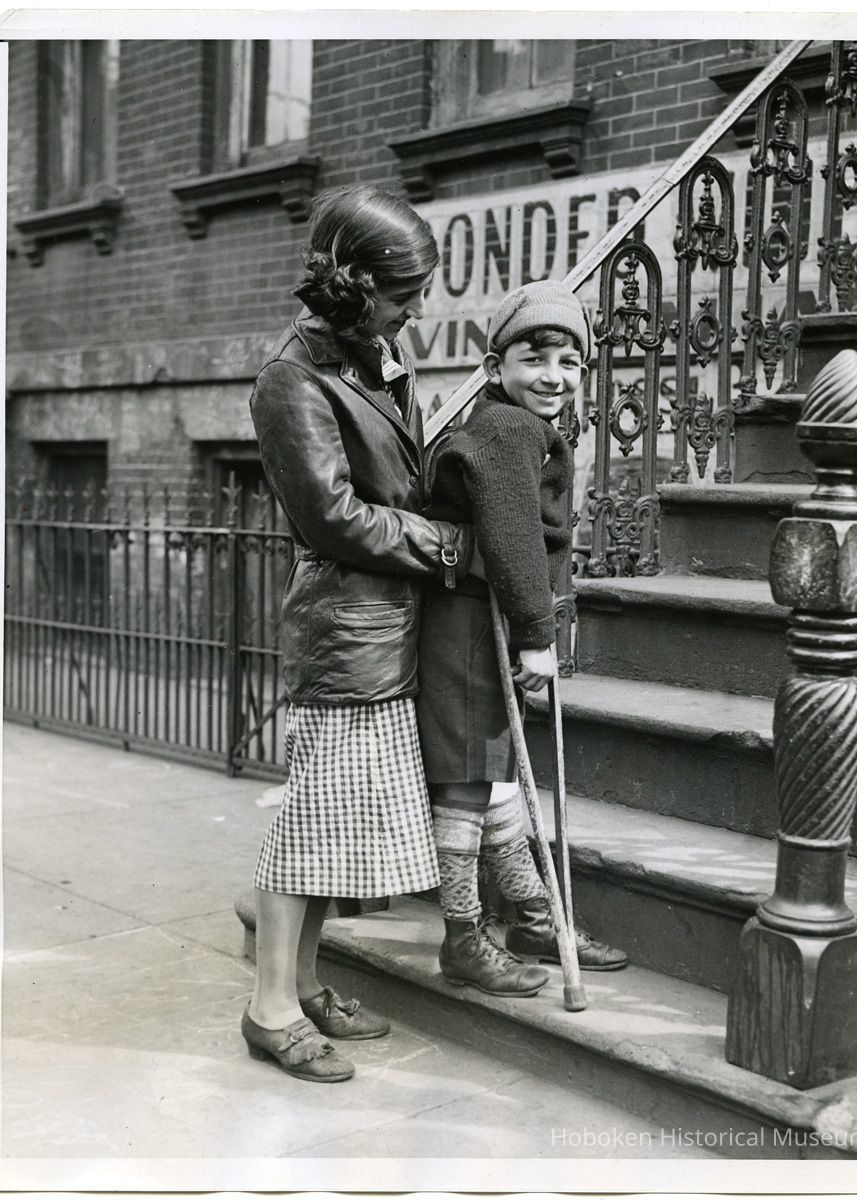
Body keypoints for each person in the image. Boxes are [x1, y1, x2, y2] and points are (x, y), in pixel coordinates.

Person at [244, 185, 472, 1083]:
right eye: (406, 293)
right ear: (357, 282)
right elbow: (333, 519)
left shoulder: (368, 357)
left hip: (385, 628)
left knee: (334, 827)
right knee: (308, 829)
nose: (417, 310)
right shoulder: (290, 380)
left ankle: (300, 983)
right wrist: (445, 542)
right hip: (345, 631)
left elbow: (393, 480)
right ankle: (267, 1008)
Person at [417, 279, 628, 998]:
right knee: (470, 779)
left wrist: (532, 632)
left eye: (569, 363)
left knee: (495, 770)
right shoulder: (506, 429)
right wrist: (537, 636)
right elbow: (509, 536)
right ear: (493, 365)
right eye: (534, 358)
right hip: (473, 627)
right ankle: (461, 937)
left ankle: (531, 916)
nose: (553, 376)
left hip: (490, 624)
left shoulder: (522, 427)